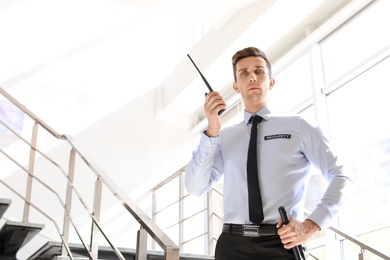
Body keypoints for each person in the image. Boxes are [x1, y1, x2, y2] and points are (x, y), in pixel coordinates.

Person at [185, 46, 351, 259]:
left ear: (271, 82)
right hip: (231, 246)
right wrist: (212, 130)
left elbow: (341, 175)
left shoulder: (299, 126)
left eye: (259, 71)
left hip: (282, 244)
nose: (252, 77)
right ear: (236, 86)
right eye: (244, 73)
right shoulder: (222, 137)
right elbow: (194, 186)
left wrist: (312, 224)